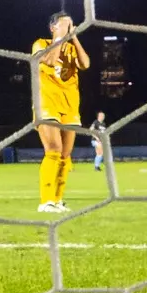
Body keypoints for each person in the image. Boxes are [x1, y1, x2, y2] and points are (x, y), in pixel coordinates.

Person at [33, 13, 88, 213]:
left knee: (65, 154)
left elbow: (85, 64)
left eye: (71, 24)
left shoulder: (72, 48)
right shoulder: (40, 44)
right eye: (64, 23)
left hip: (70, 106)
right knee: (53, 149)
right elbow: (49, 60)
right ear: (53, 27)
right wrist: (59, 38)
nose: (68, 26)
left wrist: (73, 37)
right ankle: (45, 201)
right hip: (47, 104)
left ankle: (57, 200)